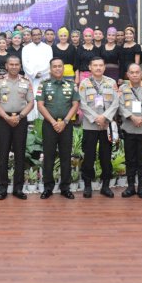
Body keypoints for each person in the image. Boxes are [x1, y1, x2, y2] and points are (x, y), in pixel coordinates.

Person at [0, 55, 34, 200]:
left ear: (20, 66)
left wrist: (20, 117)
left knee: (20, 155)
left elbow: (31, 102)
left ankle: (18, 188)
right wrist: (6, 117)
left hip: (20, 120)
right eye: (12, 64)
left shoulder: (26, 82)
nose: (14, 66)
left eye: (17, 64)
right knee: (2, 155)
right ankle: (2, 188)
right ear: (7, 66)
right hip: (4, 120)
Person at [37, 58, 80, 200]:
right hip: (49, 125)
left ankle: (65, 187)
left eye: (59, 66)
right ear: (50, 69)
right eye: (54, 66)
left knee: (66, 157)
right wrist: (53, 122)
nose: (57, 69)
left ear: (63, 68)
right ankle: (48, 187)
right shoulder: (43, 85)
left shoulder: (71, 85)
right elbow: (40, 105)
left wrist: (65, 121)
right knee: (48, 157)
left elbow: (75, 105)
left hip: (66, 125)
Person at [79, 56, 120, 198]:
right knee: (89, 157)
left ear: (104, 67)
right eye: (95, 65)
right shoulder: (84, 83)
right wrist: (96, 118)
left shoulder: (111, 82)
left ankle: (106, 186)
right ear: (90, 67)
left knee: (106, 157)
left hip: (106, 126)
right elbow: (82, 104)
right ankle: (88, 186)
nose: (98, 68)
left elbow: (116, 102)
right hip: (90, 126)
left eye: (100, 65)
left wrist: (105, 117)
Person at [118, 64, 142, 199]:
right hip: (128, 128)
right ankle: (130, 187)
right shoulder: (122, 89)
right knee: (130, 159)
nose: (134, 75)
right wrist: (132, 117)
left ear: (141, 73)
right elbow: (120, 106)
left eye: (137, 72)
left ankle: (141, 187)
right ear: (127, 74)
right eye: (132, 72)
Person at [21, 27, 52, 121]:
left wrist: (41, 73)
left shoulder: (48, 48)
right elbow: (24, 64)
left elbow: (50, 63)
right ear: (31, 36)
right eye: (34, 35)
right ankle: (31, 120)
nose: (36, 36)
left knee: (44, 97)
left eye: (38, 34)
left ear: (41, 35)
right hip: (30, 78)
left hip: (45, 77)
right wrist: (34, 74)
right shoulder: (26, 48)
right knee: (31, 98)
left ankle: (43, 119)